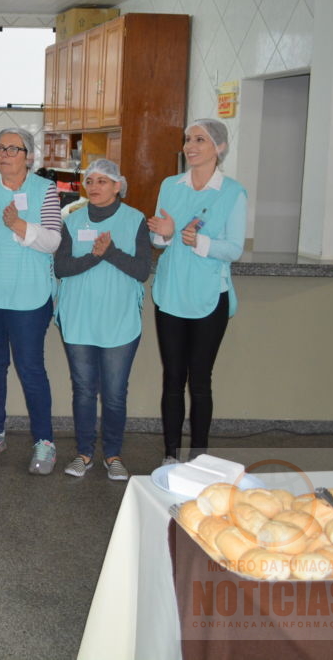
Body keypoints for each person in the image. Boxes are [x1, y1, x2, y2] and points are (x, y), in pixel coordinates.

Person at [146, 119, 246, 466]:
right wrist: (166, 234)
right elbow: (157, 238)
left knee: (200, 380)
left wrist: (198, 241)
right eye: (188, 139)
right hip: (171, 293)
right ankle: (170, 455)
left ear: (218, 148)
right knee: (172, 378)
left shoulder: (232, 192)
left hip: (208, 297)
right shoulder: (171, 185)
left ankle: (200, 455)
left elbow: (234, 249)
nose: (190, 146)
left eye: (200, 140)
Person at [0, 127, 61, 475]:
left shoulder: (45, 190)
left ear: (29, 156)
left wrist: (20, 225)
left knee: (31, 369)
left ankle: (45, 441)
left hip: (29, 296)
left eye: (13, 149)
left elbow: (52, 242)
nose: (4, 154)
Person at [53, 160, 150, 481]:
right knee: (82, 389)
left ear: (118, 186)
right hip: (79, 316)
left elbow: (141, 271)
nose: (94, 187)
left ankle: (113, 455)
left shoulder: (135, 220)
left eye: (103, 181)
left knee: (114, 391)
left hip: (119, 319)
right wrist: (94, 256)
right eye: (89, 181)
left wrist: (109, 252)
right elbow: (62, 268)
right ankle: (83, 453)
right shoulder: (72, 220)